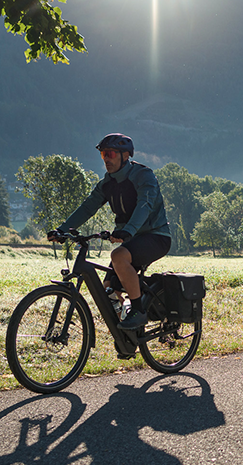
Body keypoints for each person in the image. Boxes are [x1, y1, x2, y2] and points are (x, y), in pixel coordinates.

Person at [51, 133, 171, 330]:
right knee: (108, 289)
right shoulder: (107, 184)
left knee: (118, 255)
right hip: (132, 239)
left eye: (110, 154)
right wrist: (62, 230)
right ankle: (127, 336)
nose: (106, 159)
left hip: (156, 236)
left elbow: (145, 205)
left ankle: (139, 312)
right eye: (103, 155)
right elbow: (88, 208)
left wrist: (128, 231)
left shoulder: (143, 176)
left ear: (125, 156)